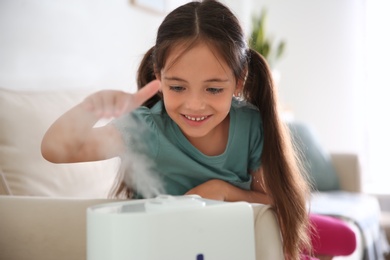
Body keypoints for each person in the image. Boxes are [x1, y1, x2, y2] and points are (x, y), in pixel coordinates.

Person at [41, 1, 355, 259]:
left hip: (236, 242)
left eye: (213, 90)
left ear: (239, 80)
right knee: (340, 238)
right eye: (178, 87)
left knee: (344, 238)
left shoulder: (249, 124)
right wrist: (91, 107)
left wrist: (225, 191)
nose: (194, 105)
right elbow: (55, 150)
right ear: (158, 76)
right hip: (174, 247)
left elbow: (276, 201)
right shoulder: (144, 129)